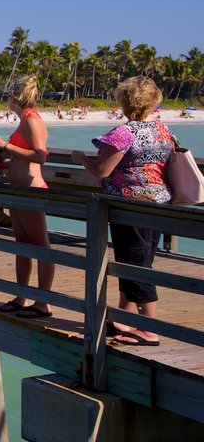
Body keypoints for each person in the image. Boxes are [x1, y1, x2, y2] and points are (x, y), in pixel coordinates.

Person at [72, 76, 173, 347]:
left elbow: (101, 171)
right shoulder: (162, 130)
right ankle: (123, 319)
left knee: (135, 264)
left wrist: (81, 158)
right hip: (160, 202)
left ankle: (149, 329)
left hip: (131, 204)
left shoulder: (123, 133)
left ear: (125, 101)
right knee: (141, 259)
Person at [0, 75, 54, 318]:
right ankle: (21, 294)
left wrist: (6, 146)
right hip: (18, 188)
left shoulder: (32, 120)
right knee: (23, 244)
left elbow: (40, 156)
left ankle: (43, 302)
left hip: (32, 190)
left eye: (8, 95)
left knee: (41, 246)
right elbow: (23, 157)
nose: (7, 99)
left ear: (14, 97)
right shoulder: (24, 121)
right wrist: (3, 165)